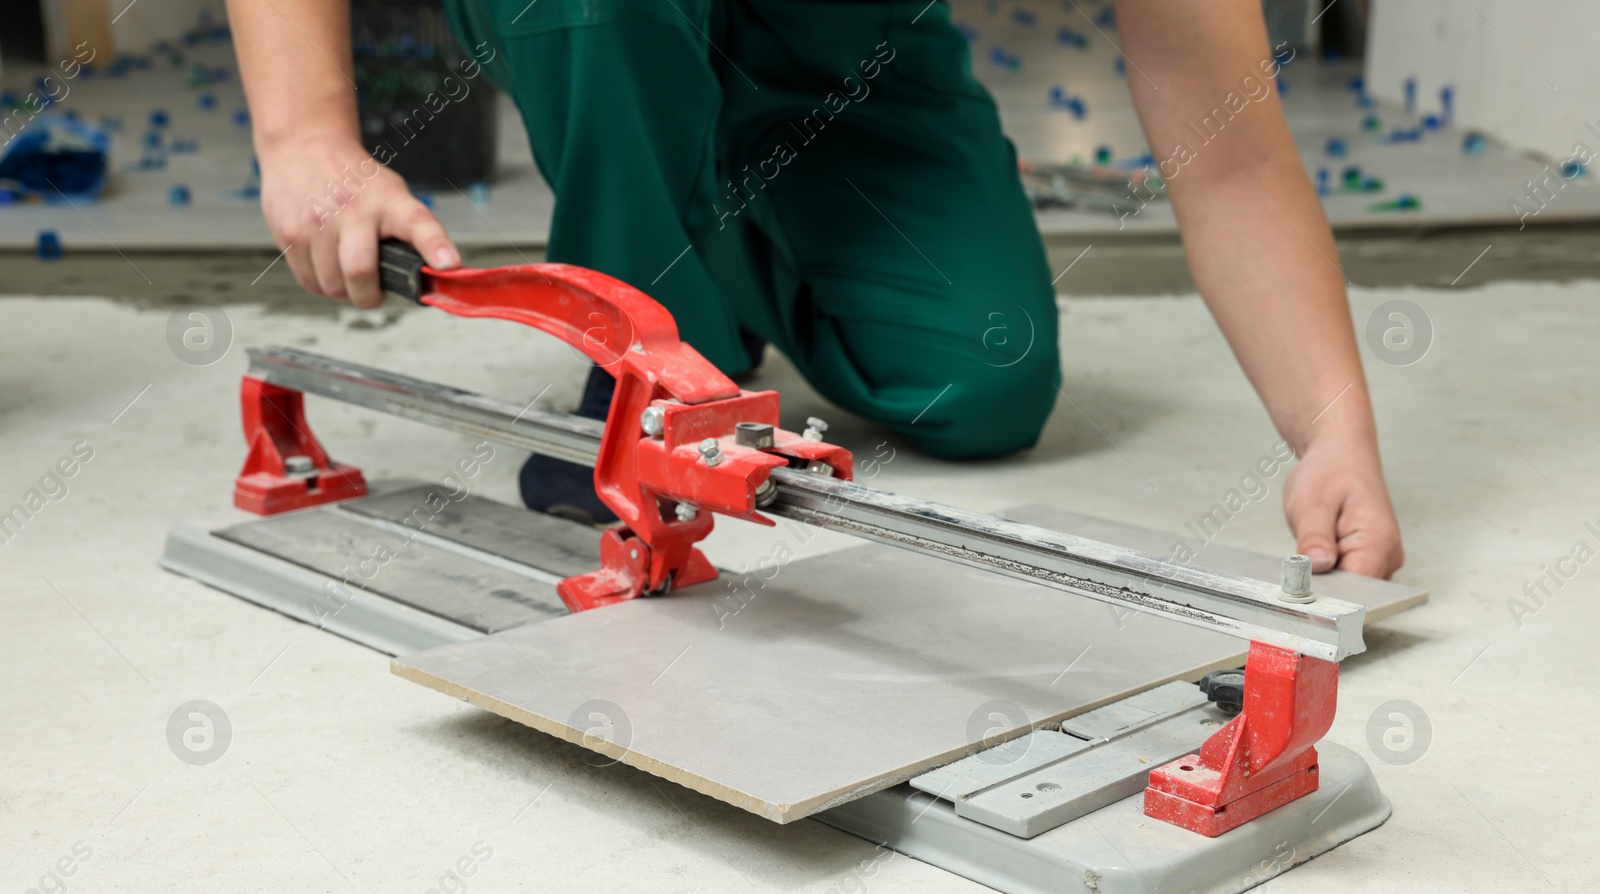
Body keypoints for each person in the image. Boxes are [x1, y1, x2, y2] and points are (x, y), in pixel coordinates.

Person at [227, 0, 1405, 578]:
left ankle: (712, 233)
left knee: (976, 378)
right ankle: (646, 321)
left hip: (840, 41)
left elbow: (1232, 150)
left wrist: (1332, 426)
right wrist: (306, 131)